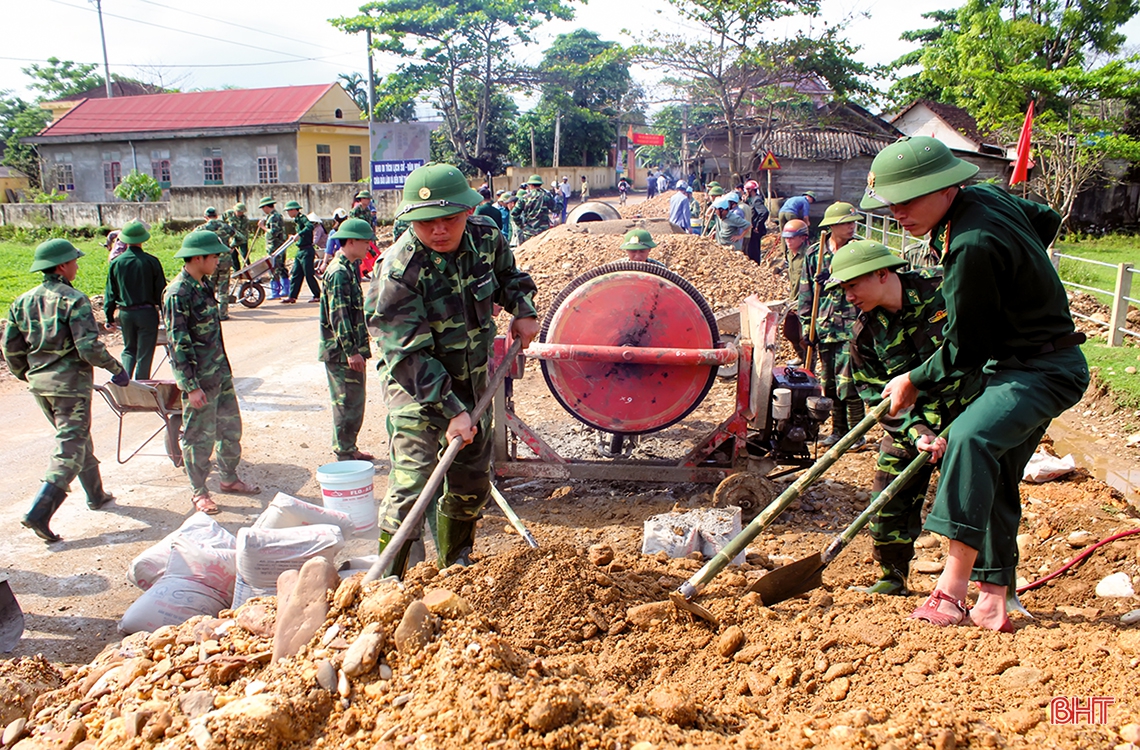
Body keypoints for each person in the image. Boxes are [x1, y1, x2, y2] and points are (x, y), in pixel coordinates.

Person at [868, 136, 1089, 632]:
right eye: (891, 203)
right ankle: (993, 599)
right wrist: (1020, 276)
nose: (898, 213)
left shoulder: (971, 244)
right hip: (1018, 363)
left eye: (909, 200)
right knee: (996, 468)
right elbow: (1046, 219)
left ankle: (950, 592)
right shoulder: (984, 197)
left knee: (969, 440)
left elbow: (966, 347)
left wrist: (913, 380)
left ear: (946, 188)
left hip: (1042, 368)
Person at [365, 162, 539, 578]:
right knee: (413, 486)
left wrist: (523, 309)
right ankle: (388, 584)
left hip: (473, 382)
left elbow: (509, 276)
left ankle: (455, 566)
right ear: (410, 219)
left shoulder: (485, 238)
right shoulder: (398, 271)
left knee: (471, 481)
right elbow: (407, 356)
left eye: (449, 219)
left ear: (467, 211)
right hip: (418, 391)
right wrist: (451, 411)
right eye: (426, 223)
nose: (439, 230)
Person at [830, 240, 981, 595]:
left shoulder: (943, 289)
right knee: (886, 503)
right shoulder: (865, 335)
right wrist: (916, 433)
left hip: (971, 412)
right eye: (844, 289)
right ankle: (892, 577)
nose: (848, 296)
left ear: (882, 274)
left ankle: (990, 583)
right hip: (917, 423)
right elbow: (876, 397)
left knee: (975, 500)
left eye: (853, 285)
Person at [3, 239, 128, 542]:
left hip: (41, 387)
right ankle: (40, 511)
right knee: (70, 447)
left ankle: (96, 495)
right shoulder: (74, 300)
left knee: (77, 439)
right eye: (74, 261)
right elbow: (88, 348)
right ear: (61, 266)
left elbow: (11, 348)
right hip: (70, 386)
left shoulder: (22, 301)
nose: (76, 266)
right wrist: (115, 368)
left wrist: (29, 375)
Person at [164, 231, 259, 515]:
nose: (218, 261)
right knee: (198, 437)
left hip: (219, 373)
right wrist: (190, 386)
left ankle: (228, 478)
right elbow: (178, 343)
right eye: (214, 256)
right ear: (197, 258)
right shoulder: (178, 293)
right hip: (199, 380)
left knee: (230, 428)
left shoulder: (203, 285)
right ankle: (200, 492)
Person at [797, 201, 865, 446]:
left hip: (852, 327)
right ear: (832, 226)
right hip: (825, 327)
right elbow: (805, 293)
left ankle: (856, 435)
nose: (851, 227)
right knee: (830, 383)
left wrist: (837, 277)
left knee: (849, 383)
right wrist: (808, 327)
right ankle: (838, 432)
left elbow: (867, 283)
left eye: (853, 222)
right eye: (846, 223)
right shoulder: (815, 254)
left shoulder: (859, 251)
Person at [320, 218, 375, 462]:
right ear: (351, 242)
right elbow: (339, 316)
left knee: (355, 401)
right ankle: (344, 452)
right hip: (341, 353)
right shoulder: (339, 273)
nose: (368, 247)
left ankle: (349, 446)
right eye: (365, 242)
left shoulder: (350, 268)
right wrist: (351, 351)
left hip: (350, 350)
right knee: (345, 402)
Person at [104, 219, 165, 380]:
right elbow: (161, 292)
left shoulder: (116, 263)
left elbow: (110, 293)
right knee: (145, 353)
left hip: (126, 314)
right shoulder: (151, 261)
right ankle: (141, 385)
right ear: (143, 239)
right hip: (147, 314)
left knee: (129, 350)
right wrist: (166, 315)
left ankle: (125, 382)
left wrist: (109, 317)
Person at [198, 207, 237, 320]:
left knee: (209, 287)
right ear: (217, 215)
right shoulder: (225, 226)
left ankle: (211, 313)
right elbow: (240, 237)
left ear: (205, 217)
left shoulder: (202, 229)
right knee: (223, 289)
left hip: (209, 261)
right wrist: (231, 247)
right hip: (225, 260)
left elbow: (192, 241)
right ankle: (223, 314)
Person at [283, 200, 319, 304]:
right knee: (296, 273)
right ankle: (292, 296)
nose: (288, 213)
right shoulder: (297, 220)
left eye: (289, 210)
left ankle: (317, 295)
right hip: (300, 250)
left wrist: (299, 234)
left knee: (308, 274)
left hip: (307, 250)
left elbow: (310, 226)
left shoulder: (302, 218)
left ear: (294, 210)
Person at [259, 197, 289, 300]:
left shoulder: (274, 217)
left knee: (274, 268)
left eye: (263, 208)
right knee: (280, 268)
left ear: (266, 207)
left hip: (275, 247)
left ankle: (276, 292)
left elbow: (273, 232)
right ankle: (285, 290)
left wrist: (263, 227)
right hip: (278, 246)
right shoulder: (274, 216)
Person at [511, 174, 555, 244]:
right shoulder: (546, 197)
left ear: (530, 185)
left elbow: (514, 213)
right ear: (540, 184)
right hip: (543, 233)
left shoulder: (524, 198)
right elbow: (557, 209)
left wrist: (521, 225)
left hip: (528, 232)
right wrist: (560, 196)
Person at [744, 180, 770, 264]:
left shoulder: (756, 200)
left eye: (747, 190)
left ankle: (755, 265)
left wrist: (757, 226)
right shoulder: (751, 199)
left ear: (750, 190)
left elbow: (764, 212)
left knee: (754, 250)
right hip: (752, 228)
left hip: (755, 230)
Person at [320, 208, 350, 273]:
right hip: (352, 258)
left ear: (335, 219)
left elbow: (329, 249)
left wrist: (324, 263)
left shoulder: (333, 232)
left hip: (340, 259)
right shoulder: (351, 230)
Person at [222, 202, 250, 270]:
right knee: (233, 255)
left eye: (241, 212)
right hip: (232, 238)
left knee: (245, 254)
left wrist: (237, 237)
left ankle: (248, 268)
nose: (240, 213)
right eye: (238, 211)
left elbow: (242, 231)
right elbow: (223, 220)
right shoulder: (228, 213)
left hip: (242, 238)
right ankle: (236, 270)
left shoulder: (245, 220)